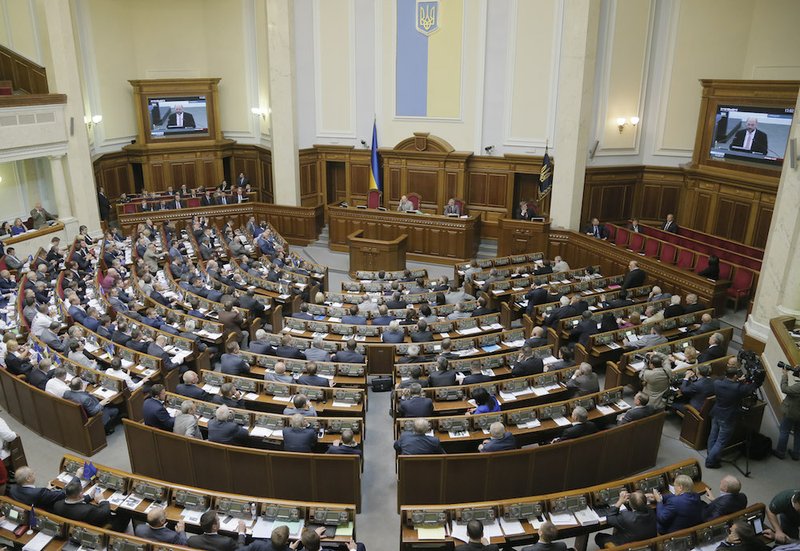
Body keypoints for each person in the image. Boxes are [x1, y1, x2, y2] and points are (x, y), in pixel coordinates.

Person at [706, 364, 762, 469]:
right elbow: (752, 387)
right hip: (727, 417)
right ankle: (710, 461)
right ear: (735, 376)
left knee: (712, 436)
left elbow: (727, 383)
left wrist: (737, 380)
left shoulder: (717, 383)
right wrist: (758, 380)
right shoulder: (738, 388)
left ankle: (711, 455)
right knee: (721, 441)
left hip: (716, 413)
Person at [54, 477, 129, 531]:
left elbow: (75, 502)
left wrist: (89, 496)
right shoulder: (89, 510)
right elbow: (105, 513)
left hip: (75, 522)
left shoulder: (57, 504)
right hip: (97, 525)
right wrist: (102, 500)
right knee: (124, 513)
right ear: (80, 494)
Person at [772, 362, 800, 460]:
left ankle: (780, 452)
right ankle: (797, 453)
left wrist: (785, 375)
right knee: (798, 433)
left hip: (792, 412)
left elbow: (785, 389)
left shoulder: (798, 387)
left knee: (784, 431)